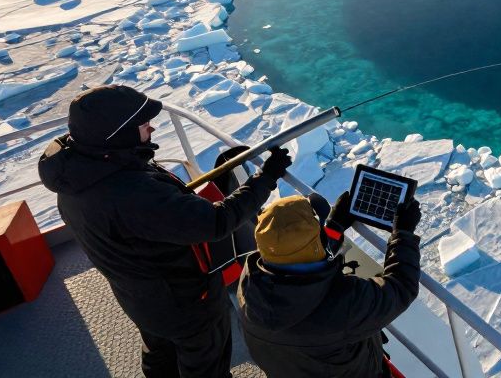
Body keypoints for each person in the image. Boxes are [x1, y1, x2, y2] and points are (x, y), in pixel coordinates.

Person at [38, 85, 291, 378]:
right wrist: (266, 178)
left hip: (138, 295)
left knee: (159, 348)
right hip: (184, 303)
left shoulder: (76, 173)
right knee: (205, 361)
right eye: (144, 124)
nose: (152, 127)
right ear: (118, 134)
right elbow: (215, 222)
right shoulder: (131, 194)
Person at [237, 188, 422, 378]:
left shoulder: (251, 283)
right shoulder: (343, 304)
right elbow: (400, 287)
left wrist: (334, 227)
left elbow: (295, 264)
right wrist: (403, 235)